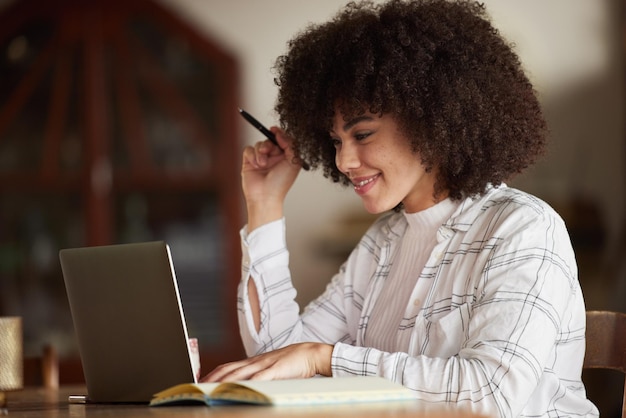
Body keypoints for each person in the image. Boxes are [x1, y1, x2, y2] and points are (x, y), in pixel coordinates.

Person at [203, 0, 599, 416]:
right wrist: (265, 204)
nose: (344, 161)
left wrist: (326, 359)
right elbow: (277, 359)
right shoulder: (382, 243)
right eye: (336, 141)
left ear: (430, 120)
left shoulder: (523, 228)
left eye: (363, 133)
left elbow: (490, 394)